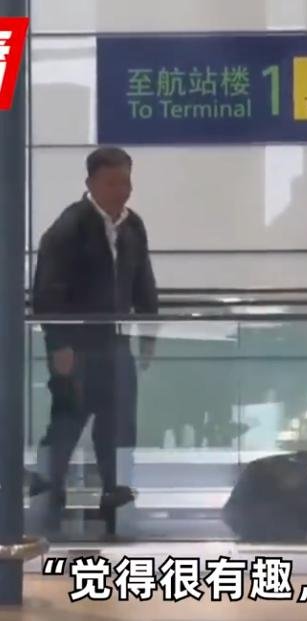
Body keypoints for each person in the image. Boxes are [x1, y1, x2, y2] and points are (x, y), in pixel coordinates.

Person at [30, 146, 158, 532]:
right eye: (112, 182)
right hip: (77, 347)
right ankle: (46, 499)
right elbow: (47, 293)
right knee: (68, 422)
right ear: (91, 183)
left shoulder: (133, 226)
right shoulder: (69, 227)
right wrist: (59, 345)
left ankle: (115, 499)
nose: (122, 190)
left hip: (116, 344)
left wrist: (149, 330)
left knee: (118, 426)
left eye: (126, 181)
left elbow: (143, 281)